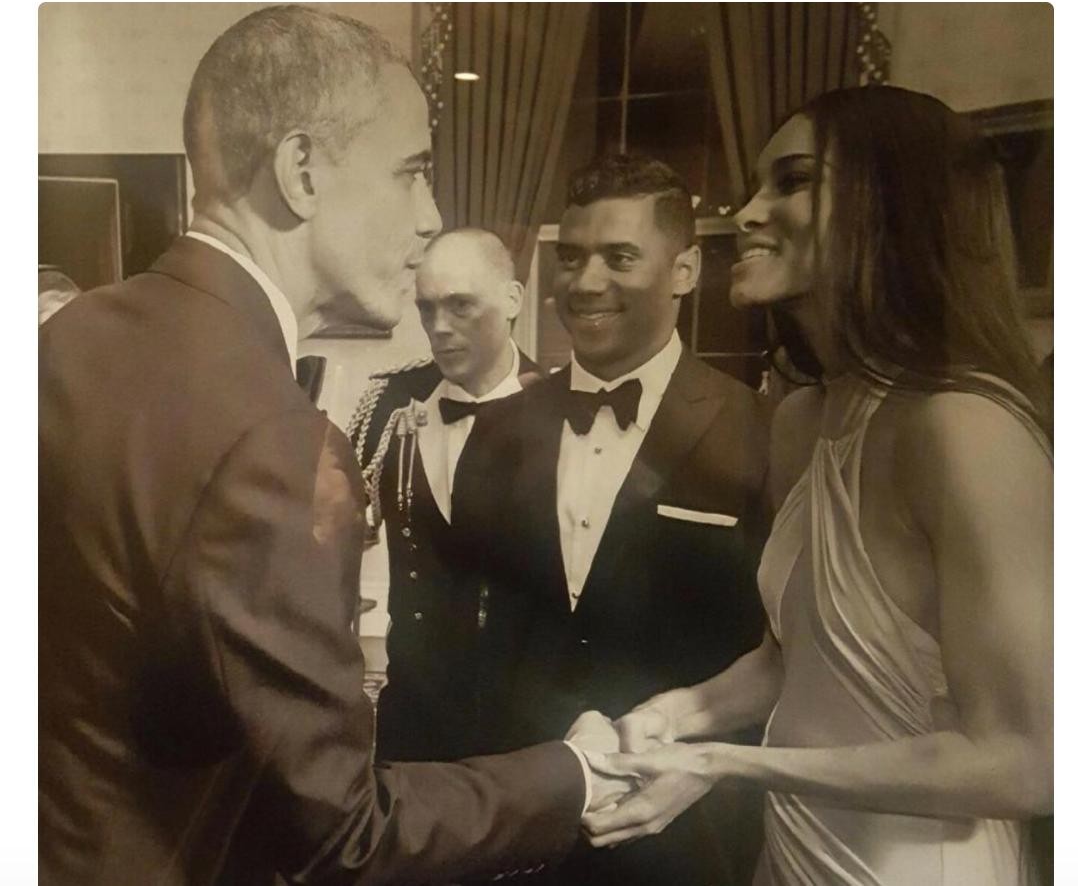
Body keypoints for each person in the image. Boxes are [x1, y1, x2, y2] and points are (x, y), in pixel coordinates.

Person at [39, 5, 625, 886]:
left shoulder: (70, 335)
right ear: (303, 171)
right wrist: (573, 777)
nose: (431, 216)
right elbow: (340, 836)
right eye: (411, 172)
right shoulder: (275, 440)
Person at [586, 86, 1053, 885]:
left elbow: (1026, 763)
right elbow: (795, 661)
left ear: (894, 204)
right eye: (756, 186)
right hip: (797, 855)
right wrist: (674, 717)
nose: (747, 214)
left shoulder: (964, 428)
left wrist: (728, 765)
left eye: (794, 181)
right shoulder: (801, 419)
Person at [453, 156, 771, 885]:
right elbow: (472, 639)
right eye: (571, 258)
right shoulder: (497, 431)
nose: (586, 282)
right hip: (521, 821)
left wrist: (708, 771)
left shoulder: (761, 431)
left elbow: (786, 653)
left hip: (690, 833)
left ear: (686, 270)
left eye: (620, 258)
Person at [349, 227, 541, 762]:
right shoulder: (389, 401)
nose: (439, 327)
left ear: (512, 300)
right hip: (412, 713)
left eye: (461, 305)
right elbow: (339, 537)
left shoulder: (563, 409)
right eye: (426, 308)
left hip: (524, 721)